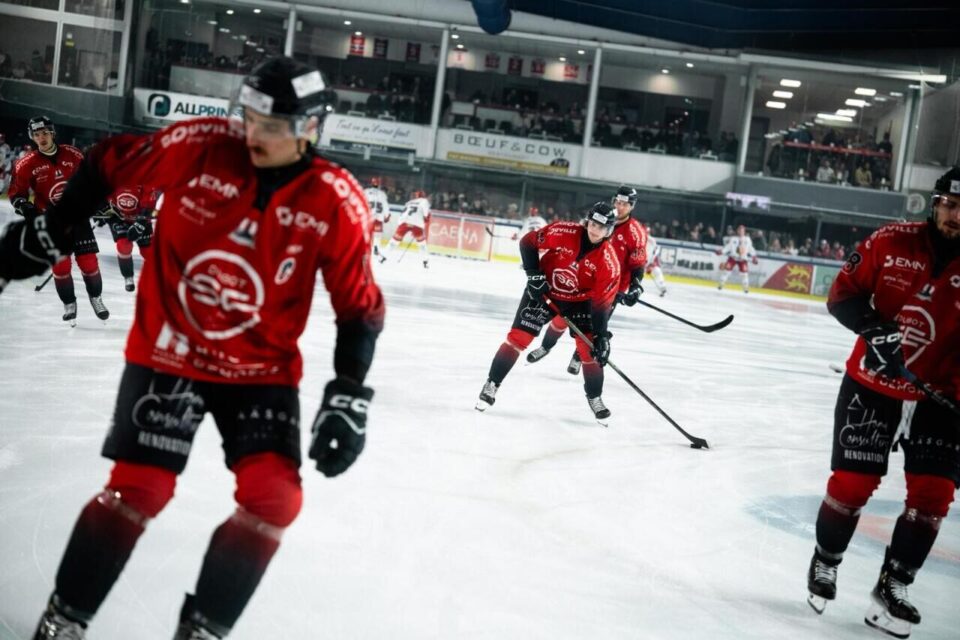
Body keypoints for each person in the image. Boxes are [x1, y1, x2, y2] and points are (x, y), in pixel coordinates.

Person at [0, 56, 385, 639]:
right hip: (169, 349)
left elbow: (360, 308)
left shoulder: (336, 200)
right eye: (249, 116)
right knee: (139, 488)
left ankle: (203, 630)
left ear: (311, 129)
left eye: (273, 125)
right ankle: (63, 621)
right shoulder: (202, 144)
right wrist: (53, 230)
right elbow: (108, 162)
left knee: (275, 499)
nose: (254, 134)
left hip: (259, 369)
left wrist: (348, 395)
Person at [805, 166, 960, 639]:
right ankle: (826, 560)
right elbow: (843, 295)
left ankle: (893, 585)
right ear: (934, 203)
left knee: (933, 498)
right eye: (951, 205)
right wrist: (875, 330)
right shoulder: (891, 241)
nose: (957, 216)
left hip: (944, 395)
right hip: (874, 382)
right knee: (853, 484)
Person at [475, 201, 620, 424]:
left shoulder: (609, 263)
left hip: (578, 303)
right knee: (518, 338)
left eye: (601, 227)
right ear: (587, 221)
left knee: (590, 352)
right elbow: (528, 242)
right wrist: (533, 275)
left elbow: (601, 304)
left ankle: (595, 398)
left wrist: (601, 335)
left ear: (608, 230)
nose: (594, 230)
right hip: (544, 291)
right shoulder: (564, 231)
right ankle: (492, 384)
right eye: (592, 223)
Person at [526, 186, 646, 376]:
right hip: (581, 281)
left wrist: (636, 287)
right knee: (560, 319)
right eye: (617, 202)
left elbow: (638, 264)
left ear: (632, 206)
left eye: (624, 204)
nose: (619, 206)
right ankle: (546, 346)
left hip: (609, 289)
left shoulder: (636, 232)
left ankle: (578, 358)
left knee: (592, 329)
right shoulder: (602, 218)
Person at [8, 116, 109, 325]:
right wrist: (26, 208)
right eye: (36, 134)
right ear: (32, 137)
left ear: (52, 133)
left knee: (89, 262)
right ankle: (69, 303)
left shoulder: (73, 154)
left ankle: (96, 298)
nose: (41, 138)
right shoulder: (25, 164)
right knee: (61, 267)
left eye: (44, 133)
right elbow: (16, 194)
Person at [98, 185, 161, 292]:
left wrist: (140, 224)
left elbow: (149, 203)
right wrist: (102, 210)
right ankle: (128, 277)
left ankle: (164, 275)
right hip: (119, 218)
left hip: (140, 217)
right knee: (123, 245)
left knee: (148, 251)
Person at [379, 189, 430, 268]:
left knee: (394, 241)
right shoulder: (424, 201)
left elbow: (402, 214)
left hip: (404, 223)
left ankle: (383, 257)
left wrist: (401, 224)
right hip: (417, 225)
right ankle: (425, 261)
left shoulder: (408, 203)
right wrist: (425, 220)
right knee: (422, 244)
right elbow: (426, 214)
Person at [717, 224, 757, 293]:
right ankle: (721, 284)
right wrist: (722, 251)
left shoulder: (747, 240)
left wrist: (754, 257)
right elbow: (728, 247)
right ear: (738, 231)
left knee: (744, 274)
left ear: (744, 231)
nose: (741, 232)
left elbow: (751, 248)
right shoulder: (733, 239)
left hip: (743, 259)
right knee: (727, 272)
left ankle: (745, 288)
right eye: (740, 230)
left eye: (742, 230)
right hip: (733, 258)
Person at [363, 177, 390, 257]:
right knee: (377, 235)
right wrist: (387, 216)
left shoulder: (366, 192)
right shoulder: (382, 194)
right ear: (379, 184)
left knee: (365, 234)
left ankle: (364, 248)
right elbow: (385, 206)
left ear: (371, 183)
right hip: (378, 218)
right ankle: (376, 248)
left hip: (368, 217)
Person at [644, 232, 667, 296]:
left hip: (647, 263)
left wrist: (650, 265)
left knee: (657, 271)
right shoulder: (644, 240)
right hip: (641, 264)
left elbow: (654, 254)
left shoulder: (651, 241)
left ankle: (662, 287)